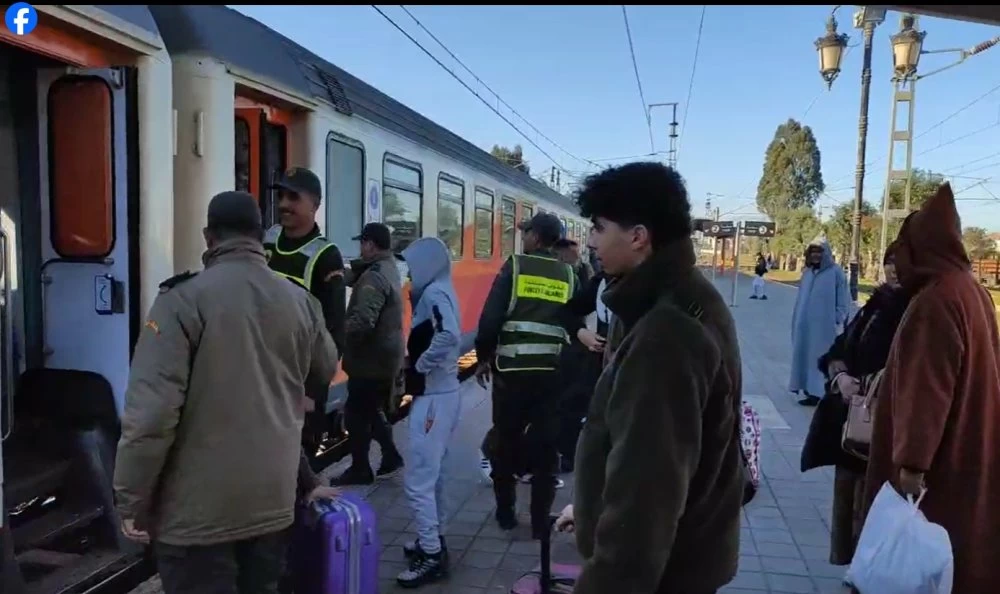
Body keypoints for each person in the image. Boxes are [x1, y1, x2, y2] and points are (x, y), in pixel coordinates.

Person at [113, 191, 340, 594]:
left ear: (208, 237)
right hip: (273, 505)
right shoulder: (299, 301)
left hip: (197, 519)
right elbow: (323, 367)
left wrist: (131, 499)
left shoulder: (180, 301)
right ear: (260, 237)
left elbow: (151, 417)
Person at [561, 162, 744, 594]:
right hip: (688, 557)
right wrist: (590, 507)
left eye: (599, 227)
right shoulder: (667, 300)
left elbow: (647, 499)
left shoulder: (667, 331)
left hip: (665, 574)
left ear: (638, 236)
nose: (590, 241)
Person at [863, 183, 1000, 593]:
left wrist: (910, 466)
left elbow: (927, 391)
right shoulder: (972, 293)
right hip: (973, 459)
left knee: (926, 568)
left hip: (939, 476)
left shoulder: (935, 303)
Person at [800, 245, 911, 566]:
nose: (892, 269)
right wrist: (841, 378)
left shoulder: (915, 311)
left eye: (898, 262)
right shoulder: (873, 306)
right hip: (851, 424)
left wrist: (864, 385)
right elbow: (838, 349)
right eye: (888, 262)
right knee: (847, 499)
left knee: (871, 506)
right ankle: (852, 567)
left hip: (881, 426)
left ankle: (867, 570)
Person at [474, 211, 574, 537]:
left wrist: (484, 356)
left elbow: (490, 318)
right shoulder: (568, 274)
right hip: (552, 374)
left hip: (512, 373)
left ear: (536, 237)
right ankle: (540, 522)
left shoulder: (515, 266)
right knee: (546, 449)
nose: (524, 236)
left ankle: (505, 513)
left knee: (506, 442)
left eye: (527, 231)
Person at [394, 237, 463, 588]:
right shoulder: (442, 287)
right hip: (444, 394)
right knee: (435, 476)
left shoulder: (434, 294)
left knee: (419, 479)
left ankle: (432, 555)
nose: (408, 272)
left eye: (411, 264)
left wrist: (421, 364)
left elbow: (450, 335)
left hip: (434, 397)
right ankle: (432, 538)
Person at [264, 166, 346, 461]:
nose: (283, 204)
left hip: (301, 382)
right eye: (281, 196)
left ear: (315, 205)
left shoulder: (326, 256)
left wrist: (313, 392)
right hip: (263, 374)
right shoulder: (267, 241)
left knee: (297, 466)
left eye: (293, 197)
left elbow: (335, 329)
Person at [331, 222, 405, 486]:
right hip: (383, 358)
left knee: (356, 414)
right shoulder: (387, 267)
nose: (360, 248)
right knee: (371, 410)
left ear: (371, 245)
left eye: (362, 243)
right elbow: (358, 276)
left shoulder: (374, 276)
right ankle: (390, 456)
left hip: (370, 360)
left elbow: (363, 321)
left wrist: (334, 334)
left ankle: (361, 468)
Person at [555, 265, 610, 473]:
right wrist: (581, 332)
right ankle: (570, 457)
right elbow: (568, 311)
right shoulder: (601, 282)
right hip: (601, 362)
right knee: (573, 404)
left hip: (636, 372)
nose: (594, 252)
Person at [789, 237, 849, 406]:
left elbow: (843, 300)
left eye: (819, 252)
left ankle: (821, 393)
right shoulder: (807, 273)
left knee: (820, 358)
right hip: (804, 327)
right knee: (805, 357)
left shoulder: (835, 272)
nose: (816, 256)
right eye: (813, 252)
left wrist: (838, 320)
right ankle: (808, 391)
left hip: (825, 328)